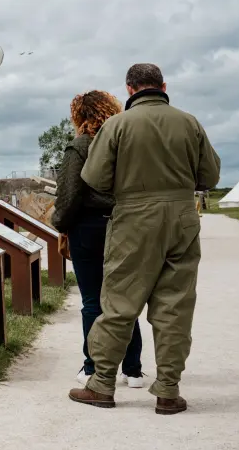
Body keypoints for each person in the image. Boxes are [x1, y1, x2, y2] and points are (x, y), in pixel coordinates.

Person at [69, 64, 221, 415]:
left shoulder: (117, 125)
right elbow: (210, 175)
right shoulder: (189, 122)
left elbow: (93, 177)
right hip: (182, 218)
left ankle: (102, 384)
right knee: (175, 306)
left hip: (134, 218)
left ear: (129, 88)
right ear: (163, 86)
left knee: (120, 302)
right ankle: (168, 391)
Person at [52, 90, 143, 390]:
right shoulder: (126, 143)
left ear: (79, 115)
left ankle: (93, 366)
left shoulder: (80, 146)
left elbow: (69, 194)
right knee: (124, 301)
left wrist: (60, 224)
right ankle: (132, 370)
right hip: (125, 225)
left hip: (88, 228)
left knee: (92, 301)